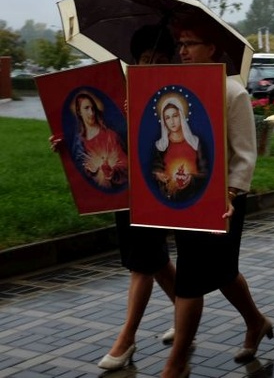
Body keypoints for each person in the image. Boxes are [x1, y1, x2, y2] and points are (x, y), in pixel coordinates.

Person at [50, 24, 178, 372]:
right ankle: (190, 313)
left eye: (162, 59)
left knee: (142, 263)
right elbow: (99, 142)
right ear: (135, 60)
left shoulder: (177, 95)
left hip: (157, 189)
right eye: (147, 59)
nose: (153, 65)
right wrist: (65, 145)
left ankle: (127, 338)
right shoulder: (118, 93)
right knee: (153, 260)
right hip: (124, 192)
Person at [161, 18, 271, 378]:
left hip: (222, 204)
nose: (183, 51)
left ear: (212, 49)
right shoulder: (176, 91)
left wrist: (231, 192)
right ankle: (256, 321)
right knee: (223, 273)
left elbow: (245, 154)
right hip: (183, 201)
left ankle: (176, 364)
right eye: (180, 44)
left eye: (191, 43)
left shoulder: (231, 92)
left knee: (191, 279)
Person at [152, 95, 208, 202]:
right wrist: (158, 175)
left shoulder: (195, 142)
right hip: (170, 199)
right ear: (164, 121)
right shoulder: (160, 146)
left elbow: (205, 173)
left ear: (181, 116)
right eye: (167, 118)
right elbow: (155, 170)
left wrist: (191, 179)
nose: (172, 121)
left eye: (175, 116)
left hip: (194, 197)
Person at [70, 90, 128, 189]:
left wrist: (112, 171)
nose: (91, 113)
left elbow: (126, 164)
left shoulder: (110, 135)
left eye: (92, 108)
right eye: (86, 108)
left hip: (117, 193)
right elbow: (76, 168)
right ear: (79, 111)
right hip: (93, 195)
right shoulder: (79, 142)